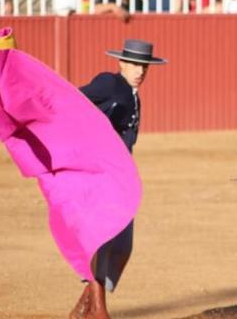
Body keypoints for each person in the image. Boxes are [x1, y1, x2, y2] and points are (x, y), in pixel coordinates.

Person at [73, 39, 166, 318]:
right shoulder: (109, 83)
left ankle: (83, 305)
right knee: (103, 240)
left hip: (121, 177)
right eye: (135, 64)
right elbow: (74, 100)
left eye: (144, 66)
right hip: (99, 175)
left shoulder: (134, 95)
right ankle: (99, 310)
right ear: (122, 63)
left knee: (123, 246)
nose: (140, 71)